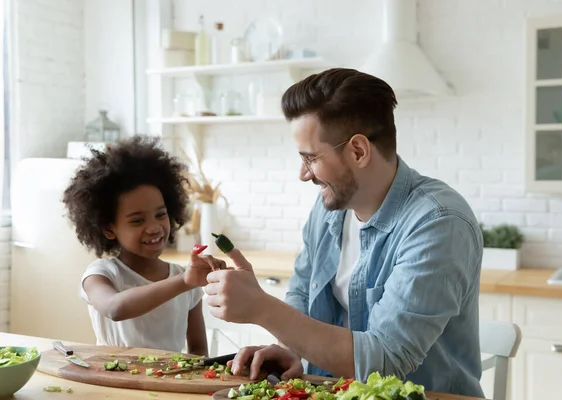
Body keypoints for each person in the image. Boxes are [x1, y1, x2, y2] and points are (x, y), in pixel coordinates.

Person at [199, 68, 485, 397]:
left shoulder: (439, 222)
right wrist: (292, 349)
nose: (303, 174)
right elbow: (303, 296)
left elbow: (386, 361)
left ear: (359, 151)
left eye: (311, 158)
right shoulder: (329, 209)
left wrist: (262, 308)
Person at [62, 135, 223, 355]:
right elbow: (115, 308)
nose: (154, 227)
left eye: (160, 214)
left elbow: (197, 349)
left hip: (169, 384)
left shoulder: (183, 280)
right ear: (109, 229)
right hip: (113, 383)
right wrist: (184, 281)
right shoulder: (101, 274)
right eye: (137, 220)